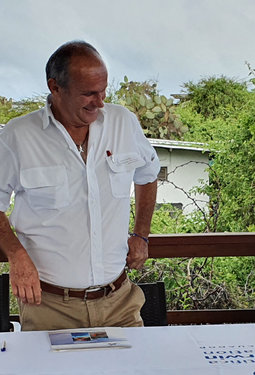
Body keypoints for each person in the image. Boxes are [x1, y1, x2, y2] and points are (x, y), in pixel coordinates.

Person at [0, 41, 160, 331]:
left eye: (103, 91)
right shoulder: (18, 136)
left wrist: (142, 235)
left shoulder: (122, 122)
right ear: (55, 87)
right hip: (49, 307)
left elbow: (148, 174)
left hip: (120, 302)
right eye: (88, 93)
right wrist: (16, 254)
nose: (99, 102)